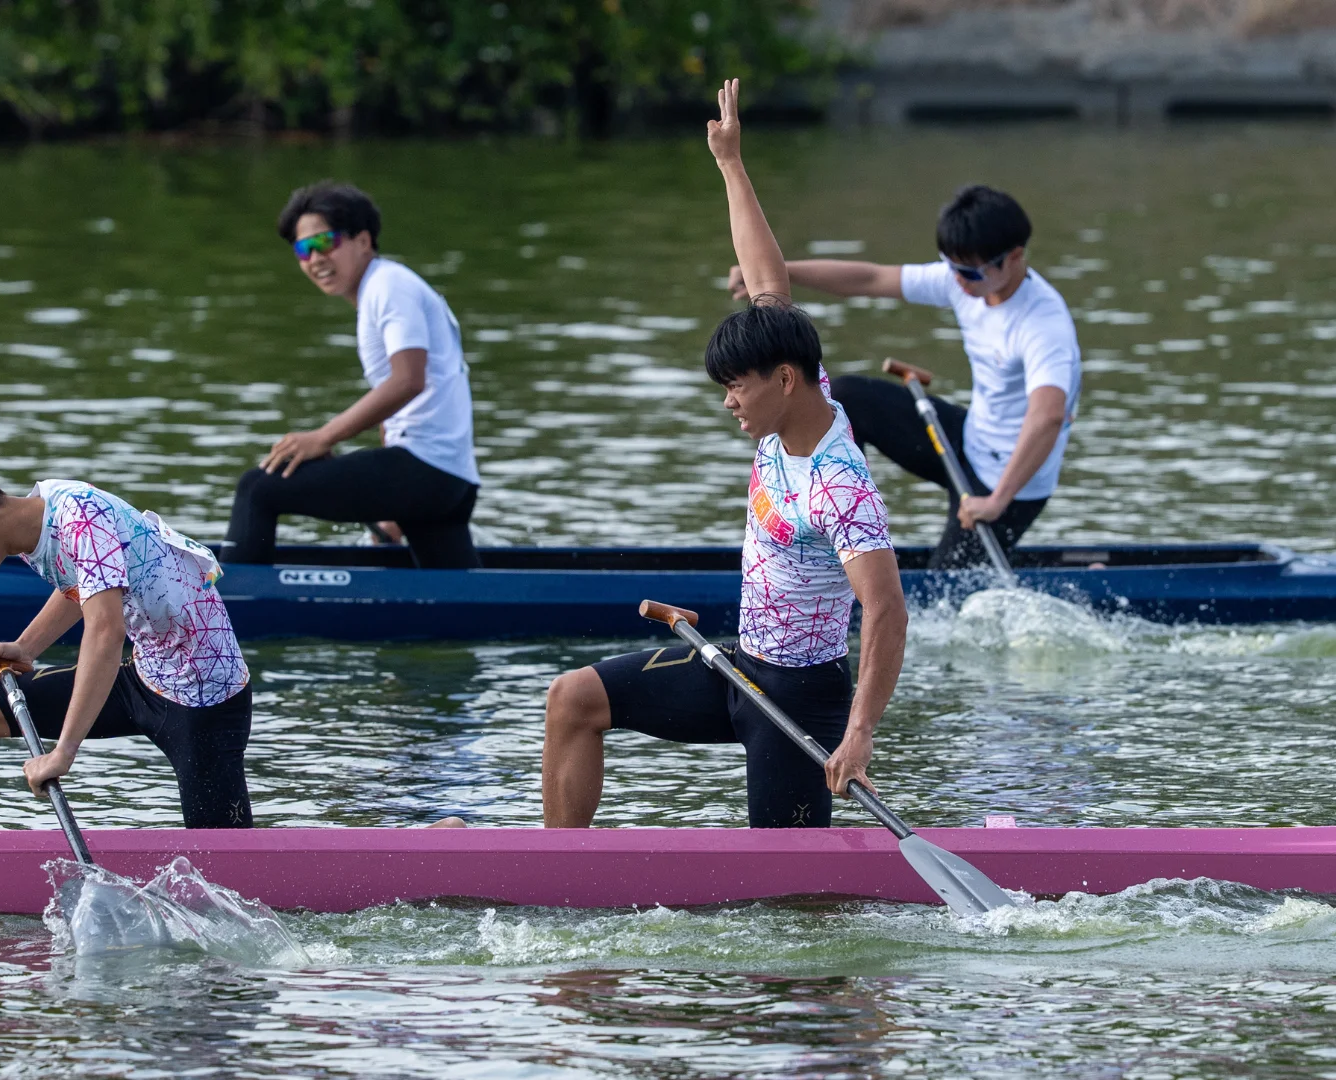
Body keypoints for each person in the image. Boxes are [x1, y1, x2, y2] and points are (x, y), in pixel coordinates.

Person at [541, 80, 909, 830]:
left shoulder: (840, 485)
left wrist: (859, 733)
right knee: (572, 698)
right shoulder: (795, 374)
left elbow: (887, 610)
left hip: (800, 700)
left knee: (793, 905)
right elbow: (766, 275)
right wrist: (731, 163)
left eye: (736, 388)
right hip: (737, 663)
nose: (728, 402)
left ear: (783, 380)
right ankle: (556, 877)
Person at [0, 455, 254, 829]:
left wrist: (63, 751)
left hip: (205, 700)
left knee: (226, 873)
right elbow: (84, 585)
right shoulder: (39, 516)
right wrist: (27, 647)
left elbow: (106, 630)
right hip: (144, 675)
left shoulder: (80, 516)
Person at [730, 185, 1082, 569]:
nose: (957, 281)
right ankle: (832, 516)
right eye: (950, 266)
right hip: (972, 437)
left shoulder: (1044, 325)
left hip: (1011, 480)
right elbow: (870, 280)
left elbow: (1048, 416)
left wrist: (997, 501)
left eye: (967, 272)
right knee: (848, 397)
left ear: (1014, 258)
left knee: (942, 598)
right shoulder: (966, 278)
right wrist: (782, 273)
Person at [223, 181, 483, 568]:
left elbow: (408, 380)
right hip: (447, 479)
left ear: (363, 240)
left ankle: (218, 614)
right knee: (465, 604)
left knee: (259, 488)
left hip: (426, 471)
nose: (315, 259)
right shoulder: (383, 288)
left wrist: (322, 437)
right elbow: (397, 403)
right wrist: (392, 512)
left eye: (325, 242)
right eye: (303, 249)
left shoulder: (387, 286)